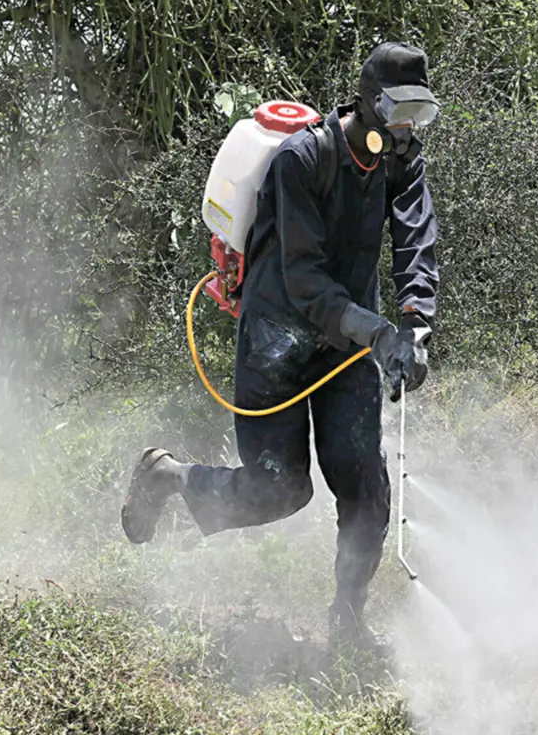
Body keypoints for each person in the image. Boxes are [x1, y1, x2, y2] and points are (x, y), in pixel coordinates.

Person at [120, 41, 441, 646]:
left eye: (418, 114)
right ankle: (168, 475)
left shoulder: (401, 161)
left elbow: (415, 239)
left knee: (366, 487)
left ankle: (348, 619)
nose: (407, 129)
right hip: (277, 343)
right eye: (400, 112)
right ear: (370, 103)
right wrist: (377, 333)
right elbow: (305, 279)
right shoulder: (301, 159)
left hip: (348, 346)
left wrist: (414, 322)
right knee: (279, 489)